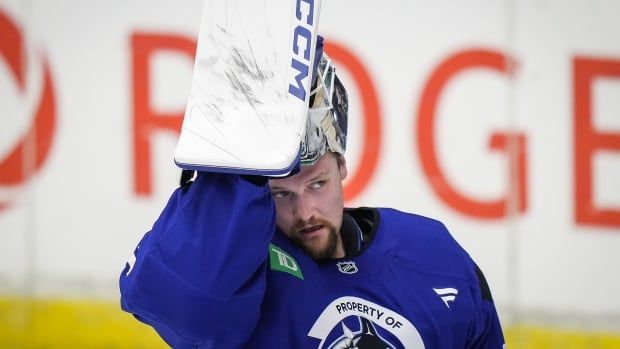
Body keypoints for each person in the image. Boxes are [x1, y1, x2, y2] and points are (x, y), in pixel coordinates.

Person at [120, 37, 505, 348]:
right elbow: (186, 304)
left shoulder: (433, 253)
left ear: (342, 167)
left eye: (317, 184)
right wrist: (233, 171)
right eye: (281, 195)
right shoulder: (240, 275)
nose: (305, 211)